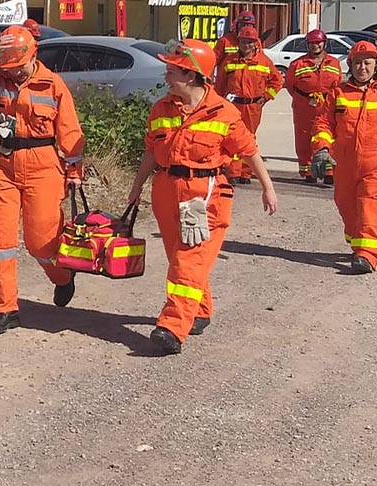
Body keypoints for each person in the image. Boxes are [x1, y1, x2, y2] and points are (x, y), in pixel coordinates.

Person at [126, 38, 279, 356]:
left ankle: (172, 326)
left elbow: (249, 151)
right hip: (166, 190)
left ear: (192, 75)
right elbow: (152, 152)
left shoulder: (224, 113)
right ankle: (200, 310)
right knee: (179, 257)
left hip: (205, 195)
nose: (166, 74)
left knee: (187, 261)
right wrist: (137, 187)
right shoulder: (161, 108)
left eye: (173, 70)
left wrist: (268, 187)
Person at [0, 24, 85, 335]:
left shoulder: (53, 86)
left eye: (19, 67)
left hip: (43, 166)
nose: (14, 74)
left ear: (34, 56)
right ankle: (4, 309)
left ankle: (62, 277)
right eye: (9, 68)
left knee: (41, 241)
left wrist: (74, 171)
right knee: (0, 243)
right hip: (3, 165)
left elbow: (70, 132)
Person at [310, 40, 377, 274]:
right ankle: (358, 242)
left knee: (371, 206)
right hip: (344, 164)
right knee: (347, 206)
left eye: (367, 63)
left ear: (376, 65)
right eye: (357, 63)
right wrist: (321, 149)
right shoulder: (338, 93)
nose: (362, 68)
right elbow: (323, 124)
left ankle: (367, 256)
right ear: (351, 65)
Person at [214, 25, 283, 184]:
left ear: (255, 44)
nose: (247, 45)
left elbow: (277, 81)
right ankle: (233, 173)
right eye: (243, 42)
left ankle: (245, 173)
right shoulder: (229, 61)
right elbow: (220, 85)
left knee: (249, 139)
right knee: (231, 138)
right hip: (233, 106)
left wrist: (266, 96)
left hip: (252, 108)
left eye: (250, 42)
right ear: (238, 43)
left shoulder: (264, 62)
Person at [284, 28, 343, 185]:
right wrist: (305, 98)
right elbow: (290, 86)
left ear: (324, 43)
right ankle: (308, 171)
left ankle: (329, 171)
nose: (315, 46)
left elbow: (338, 84)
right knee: (304, 138)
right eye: (312, 43)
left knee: (329, 136)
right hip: (305, 106)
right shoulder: (297, 64)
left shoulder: (334, 63)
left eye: (318, 43)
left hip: (327, 105)